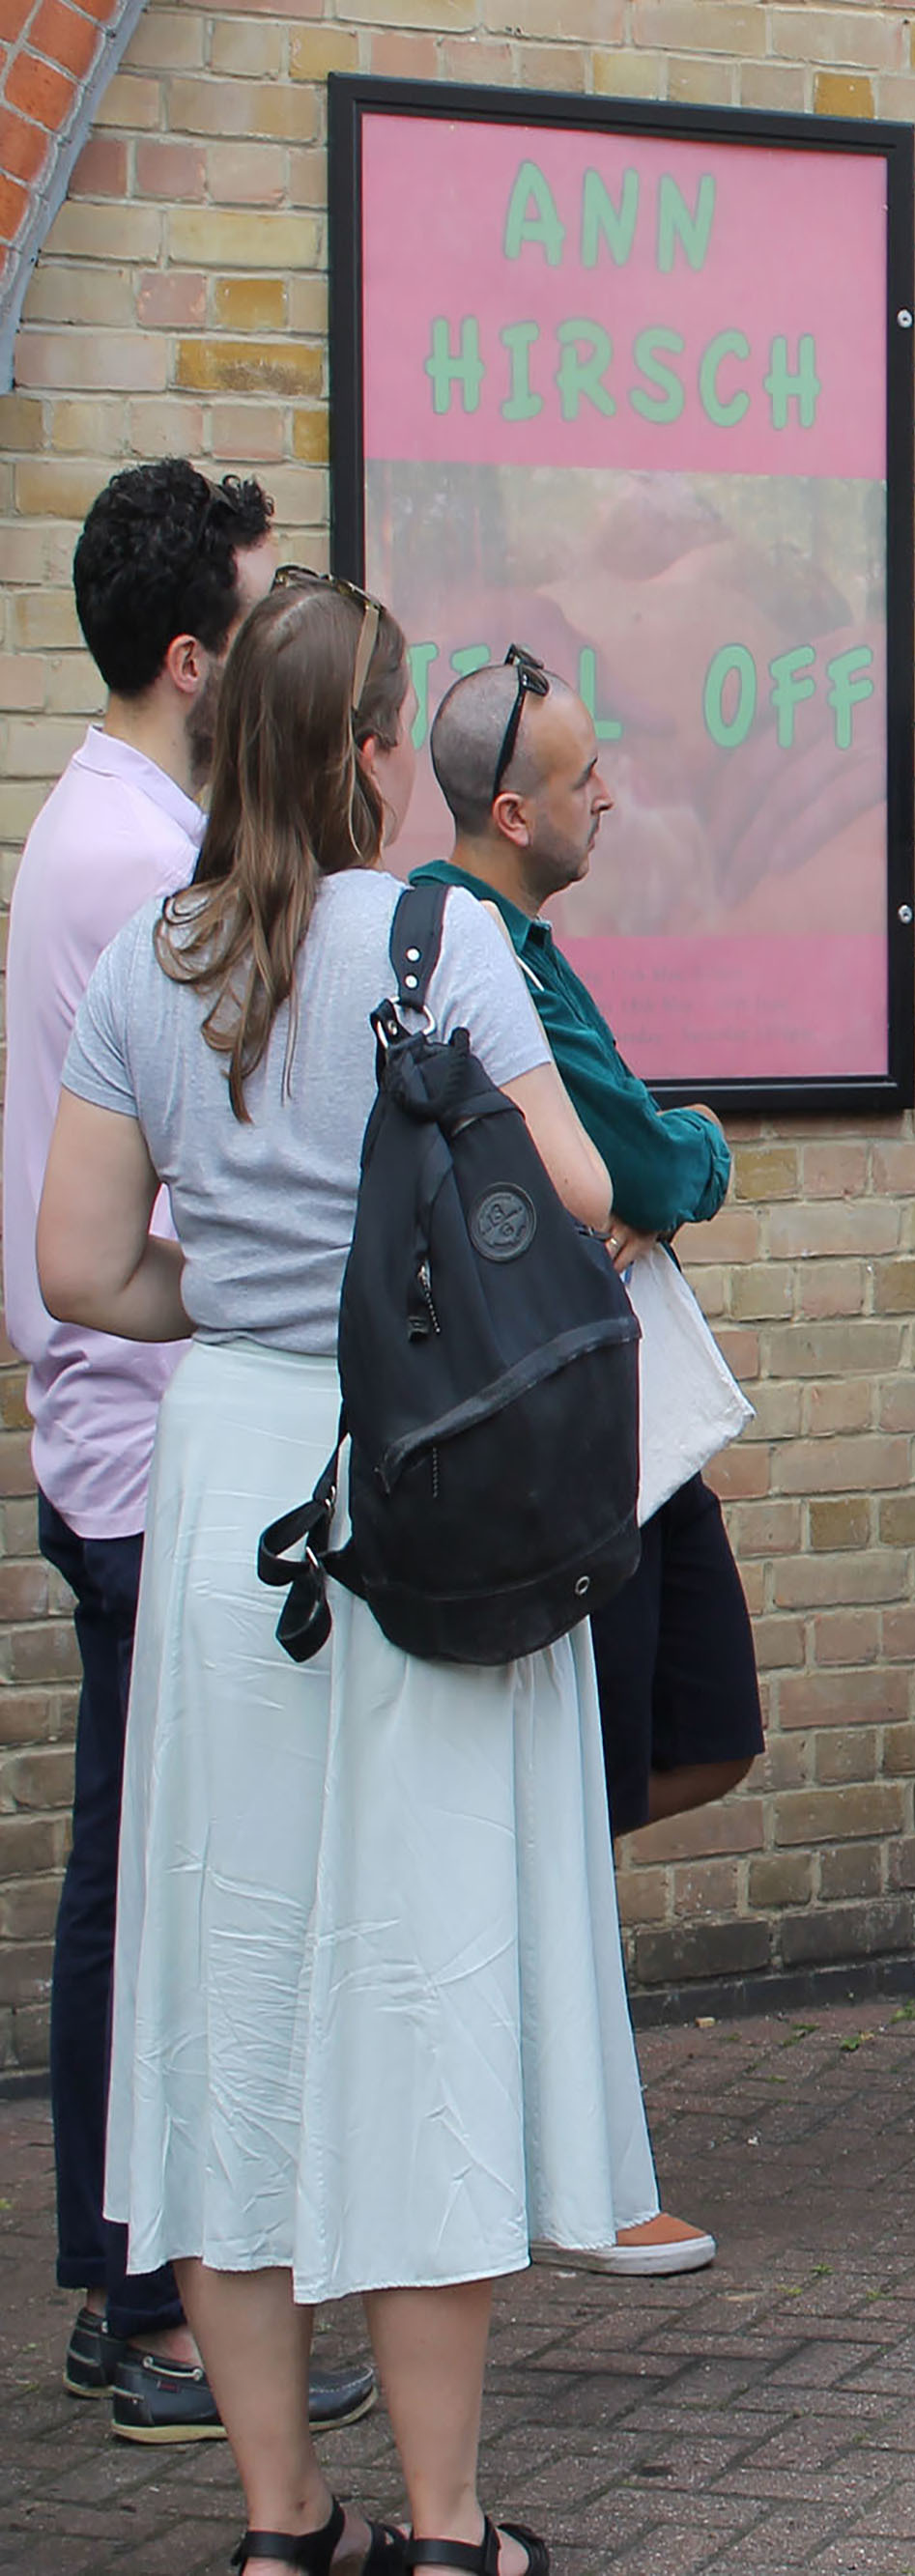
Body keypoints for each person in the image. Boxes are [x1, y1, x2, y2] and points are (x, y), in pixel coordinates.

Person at [40, 567, 653, 2576]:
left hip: (226, 1481)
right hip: (418, 1494)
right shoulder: (440, 940)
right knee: (420, 1993)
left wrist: (211, 1294)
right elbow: (574, 1190)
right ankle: (450, 2521)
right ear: (384, 752)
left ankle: (279, 2519)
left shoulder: (154, 953)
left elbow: (72, 1267)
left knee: (230, 1997)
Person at [0, 464, 365, 2450]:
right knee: (164, 1894)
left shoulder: (111, 827)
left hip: (129, 1430)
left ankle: (137, 2281)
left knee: (138, 1872)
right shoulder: (145, 868)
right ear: (189, 660)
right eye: (252, 621)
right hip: (159, 1441)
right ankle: (147, 2296)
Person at [414, 648, 745, 2282]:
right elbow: (637, 1158)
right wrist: (687, 1152)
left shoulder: (510, 939)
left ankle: (544, 2050)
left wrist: (650, 1163)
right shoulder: (475, 948)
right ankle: (567, 2134)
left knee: (700, 1727)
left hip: (623, 1414)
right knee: (586, 1767)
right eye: (585, 772)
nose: (613, 794)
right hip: (560, 1435)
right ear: (512, 805)